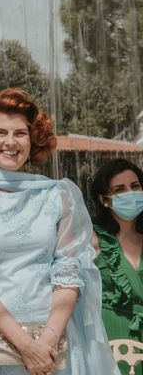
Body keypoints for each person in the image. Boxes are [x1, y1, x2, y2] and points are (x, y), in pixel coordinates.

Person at [0, 88, 118, 375]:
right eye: (0, 133)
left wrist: (47, 339)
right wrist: (24, 344)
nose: (10, 142)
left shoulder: (60, 194)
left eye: (20, 133)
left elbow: (69, 274)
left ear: (33, 140)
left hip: (55, 342)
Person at [90, 158, 143, 375]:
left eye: (136, 186)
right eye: (120, 189)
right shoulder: (92, 238)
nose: (130, 194)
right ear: (104, 200)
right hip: (112, 337)